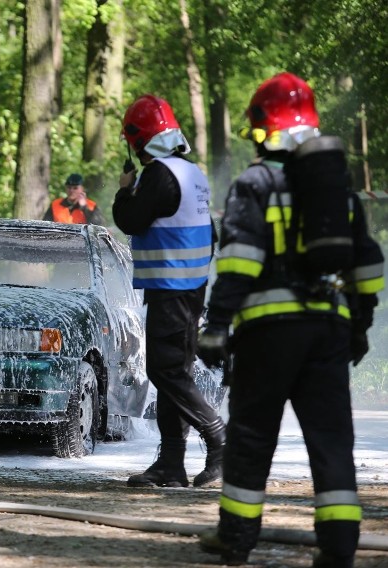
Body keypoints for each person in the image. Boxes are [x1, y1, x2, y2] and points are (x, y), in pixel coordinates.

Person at [196, 72, 384, 567]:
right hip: (329, 331)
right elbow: (367, 262)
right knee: (331, 441)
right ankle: (339, 550)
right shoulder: (338, 190)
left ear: (263, 127)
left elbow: (238, 261)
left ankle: (235, 539)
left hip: (268, 334)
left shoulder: (255, 182)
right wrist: (360, 324)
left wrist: (216, 324)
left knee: (252, 436)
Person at [111, 94, 225, 489]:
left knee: (165, 370)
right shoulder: (192, 173)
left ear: (138, 141)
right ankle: (172, 464)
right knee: (171, 373)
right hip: (189, 288)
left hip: (172, 289)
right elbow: (211, 233)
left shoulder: (158, 175)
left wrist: (125, 189)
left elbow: (130, 220)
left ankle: (218, 437)